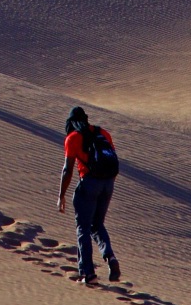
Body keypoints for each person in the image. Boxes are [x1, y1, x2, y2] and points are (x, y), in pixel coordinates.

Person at [56, 106, 121, 285]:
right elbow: (114, 161)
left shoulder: (73, 138)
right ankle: (110, 258)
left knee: (83, 228)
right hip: (108, 184)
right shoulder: (103, 133)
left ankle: (87, 273)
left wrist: (61, 195)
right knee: (97, 224)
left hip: (89, 184)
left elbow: (67, 170)